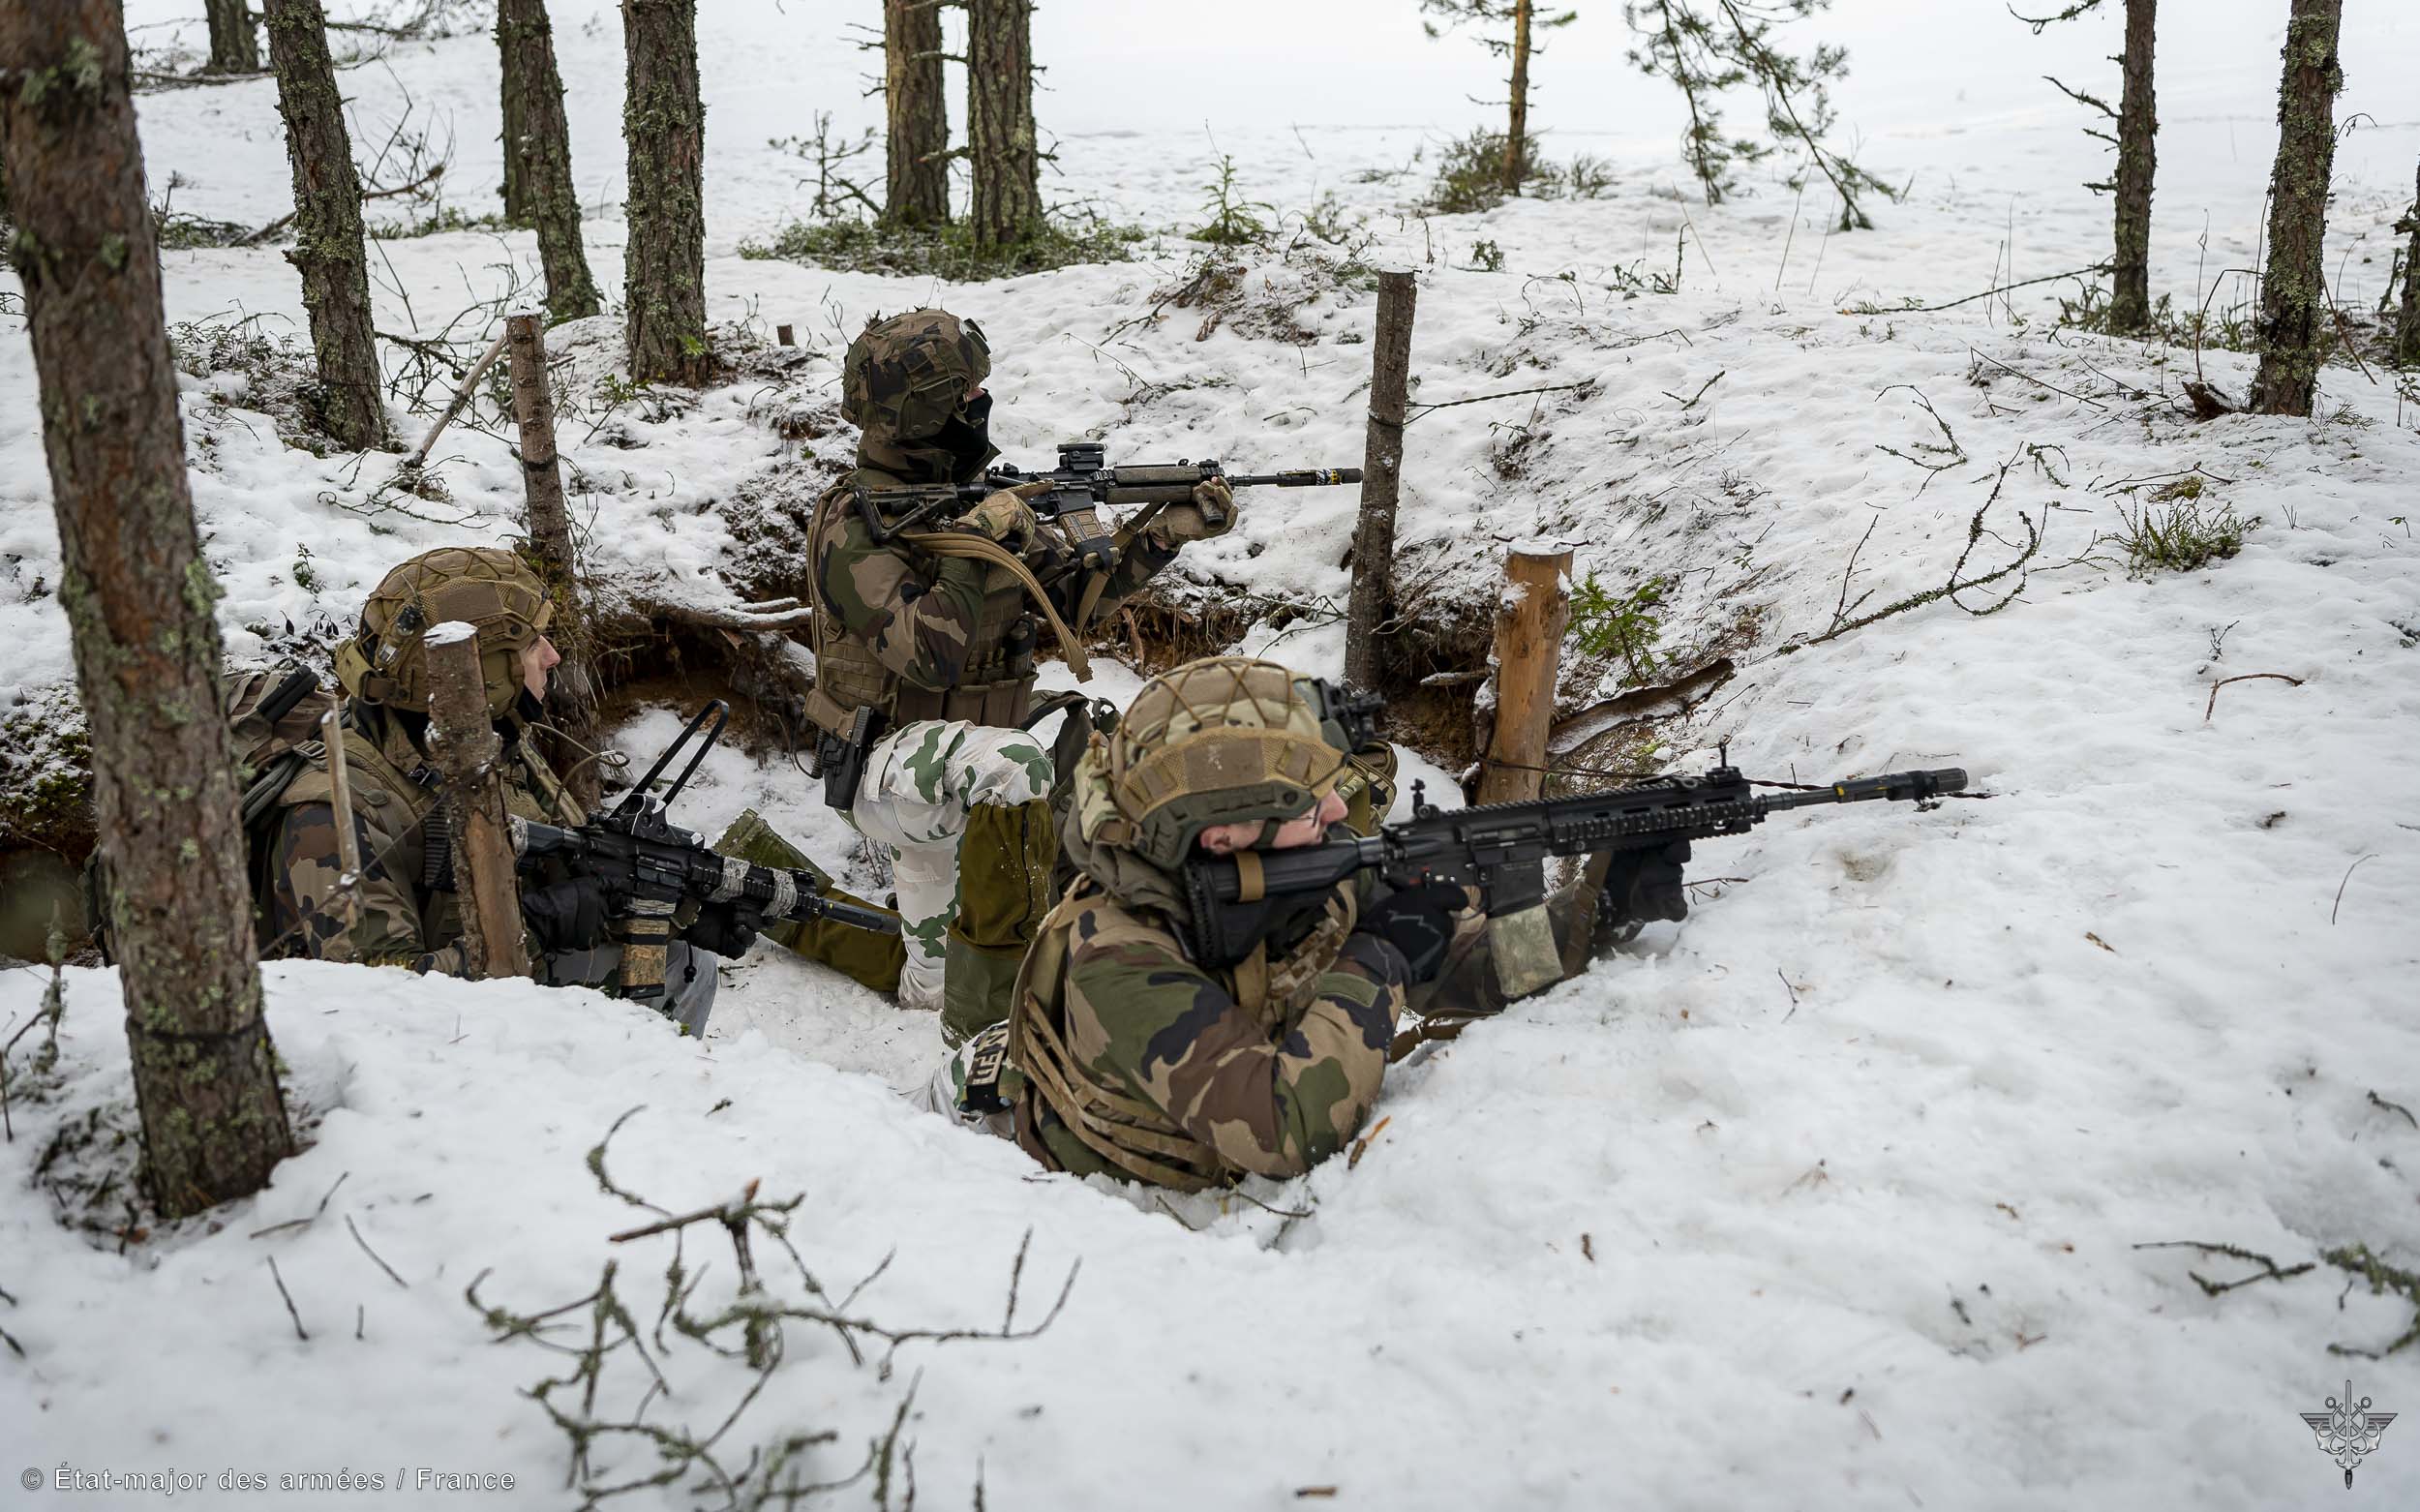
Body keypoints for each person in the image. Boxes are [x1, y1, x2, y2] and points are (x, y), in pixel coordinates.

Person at [935, 656, 1685, 1191]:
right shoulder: (1118, 955)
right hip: (1048, 1176)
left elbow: (1482, 972)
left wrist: (1597, 905)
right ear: (1222, 837)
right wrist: (1379, 960)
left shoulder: (1298, 870)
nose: (1336, 812)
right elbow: (1284, 1129)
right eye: (1306, 804)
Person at [805, 309, 1235, 1043]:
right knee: (1012, 764)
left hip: (978, 748)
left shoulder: (978, 497)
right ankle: (987, 1017)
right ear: (924, 411)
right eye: (964, 392)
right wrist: (971, 551)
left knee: (1089, 736)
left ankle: (1082, 940)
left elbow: (1068, 602)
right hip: (882, 763)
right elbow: (925, 653)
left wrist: (1161, 534)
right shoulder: (854, 524)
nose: (980, 403)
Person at [262, 546, 741, 1032]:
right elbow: (371, 1010)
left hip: (481, 988)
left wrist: (667, 908)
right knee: (682, 976)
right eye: (533, 646)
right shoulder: (334, 815)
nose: (553, 656)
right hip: (416, 1045)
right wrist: (534, 929)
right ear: (485, 673)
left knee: (684, 958)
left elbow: (562, 869)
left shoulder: (480, 740)